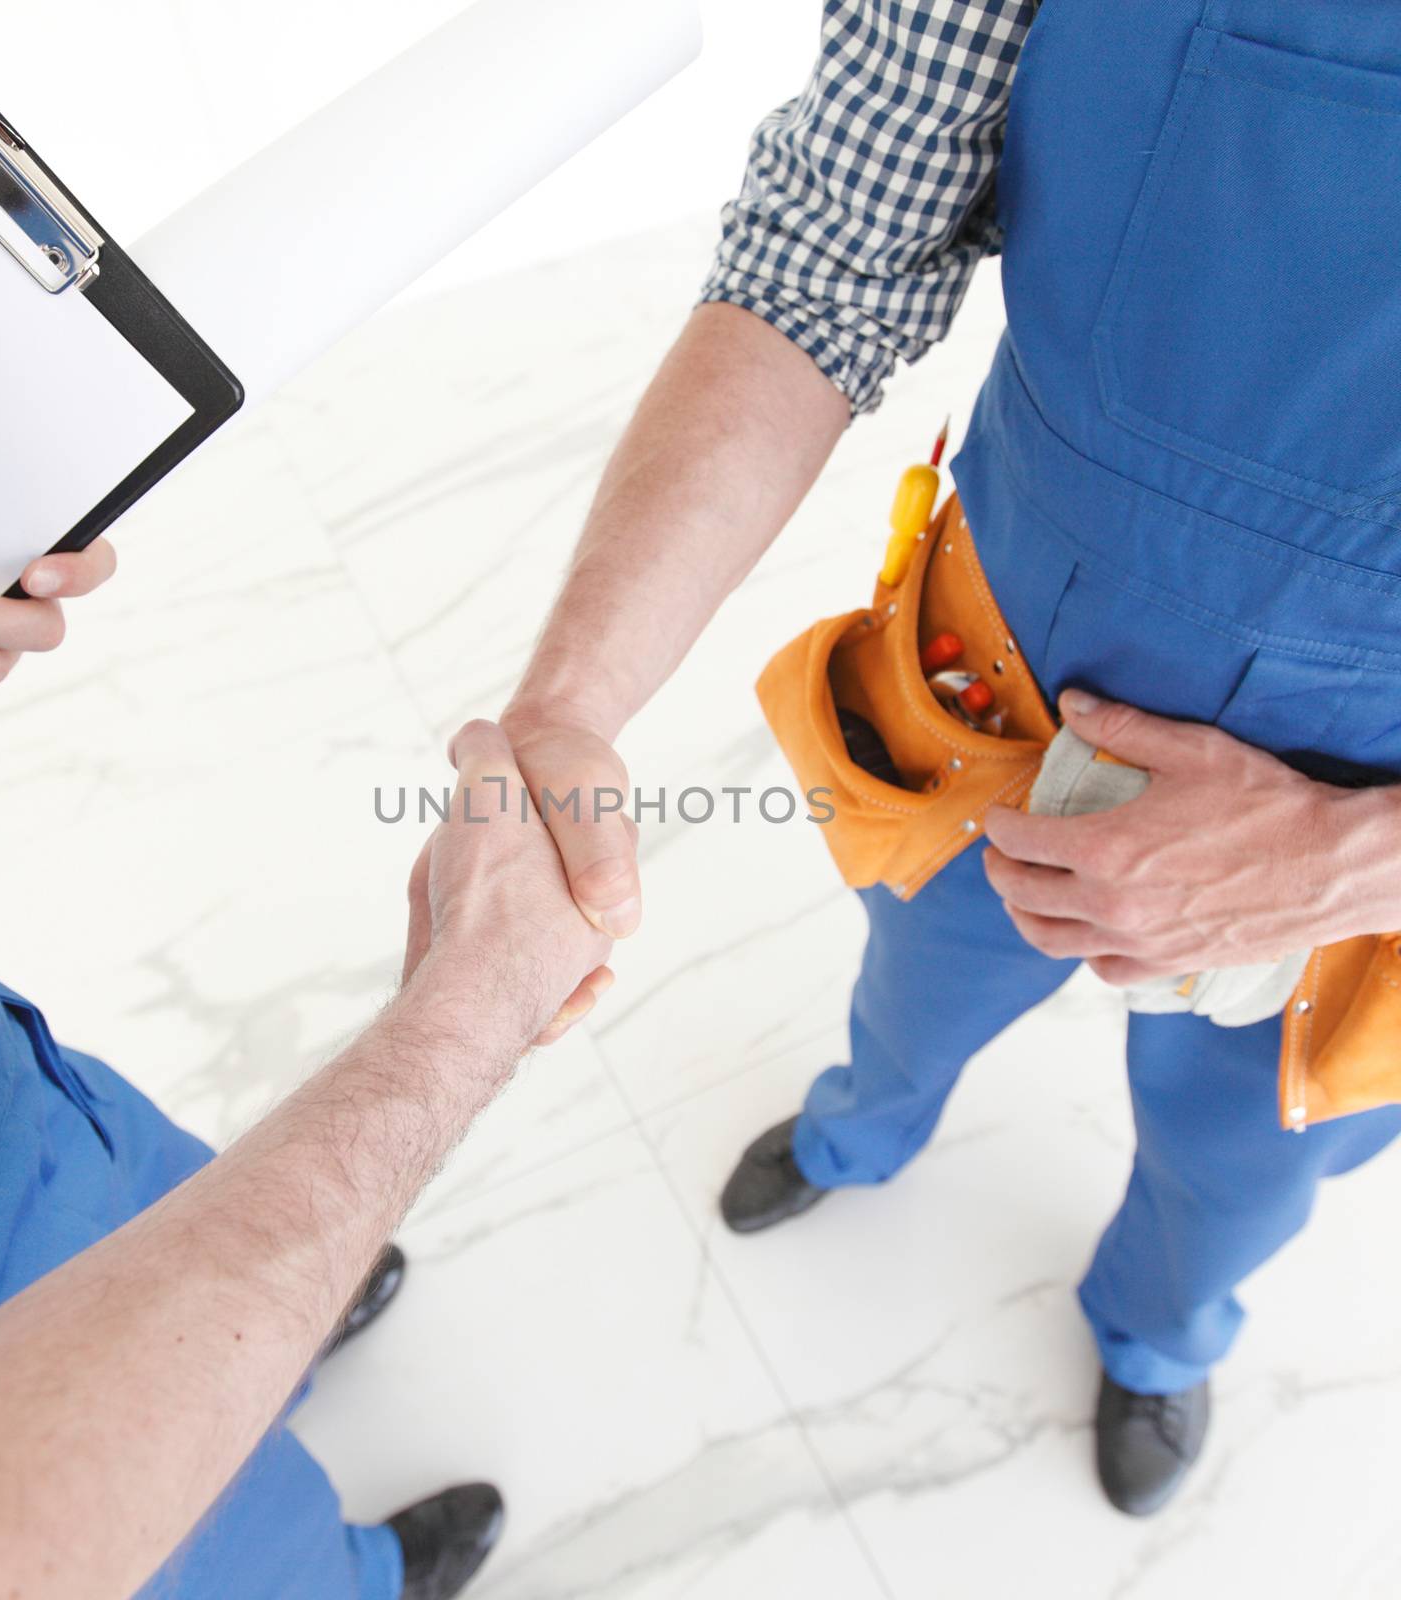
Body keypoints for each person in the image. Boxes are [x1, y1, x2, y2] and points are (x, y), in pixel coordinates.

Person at [498, 0, 1401, 1517]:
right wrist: (569, 704)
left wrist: (1352, 851)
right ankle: (863, 1127)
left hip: (1357, 875)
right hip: (983, 705)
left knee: (1248, 1162)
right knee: (914, 980)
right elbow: (820, 265)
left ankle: (1161, 1337)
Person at [0, 550, 613, 1596]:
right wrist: (472, 1006)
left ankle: (307, 1314)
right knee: (241, 1547)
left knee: (185, 1192)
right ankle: (360, 1576)